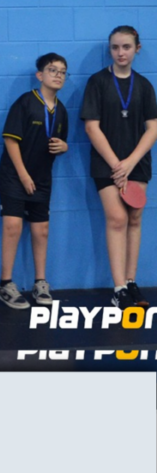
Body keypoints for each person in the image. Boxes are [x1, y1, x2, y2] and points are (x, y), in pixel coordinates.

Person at [81, 26, 157, 310]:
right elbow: (92, 127)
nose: (120, 52)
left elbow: (153, 128)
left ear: (137, 48)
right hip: (107, 164)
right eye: (115, 47)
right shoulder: (97, 82)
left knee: (135, 218)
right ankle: (118, 288)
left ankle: (131, 281)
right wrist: (117, 165)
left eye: (126, 47)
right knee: (117, 219)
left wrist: (130, 162)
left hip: (136, 163)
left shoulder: (145, 86)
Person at [0, 54, 69, 310]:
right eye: (52, 70)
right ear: (40, 75)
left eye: (62, 72)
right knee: (12, 226)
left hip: (42, 179)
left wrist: (65, 146)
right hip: (15, 176)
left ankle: (40, 282)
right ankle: (5, 283)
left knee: (41, 230)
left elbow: (61, 141)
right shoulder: (25, 102)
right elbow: (10, 140)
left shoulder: (62, 111)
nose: (58, 75)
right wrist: (23, 175)